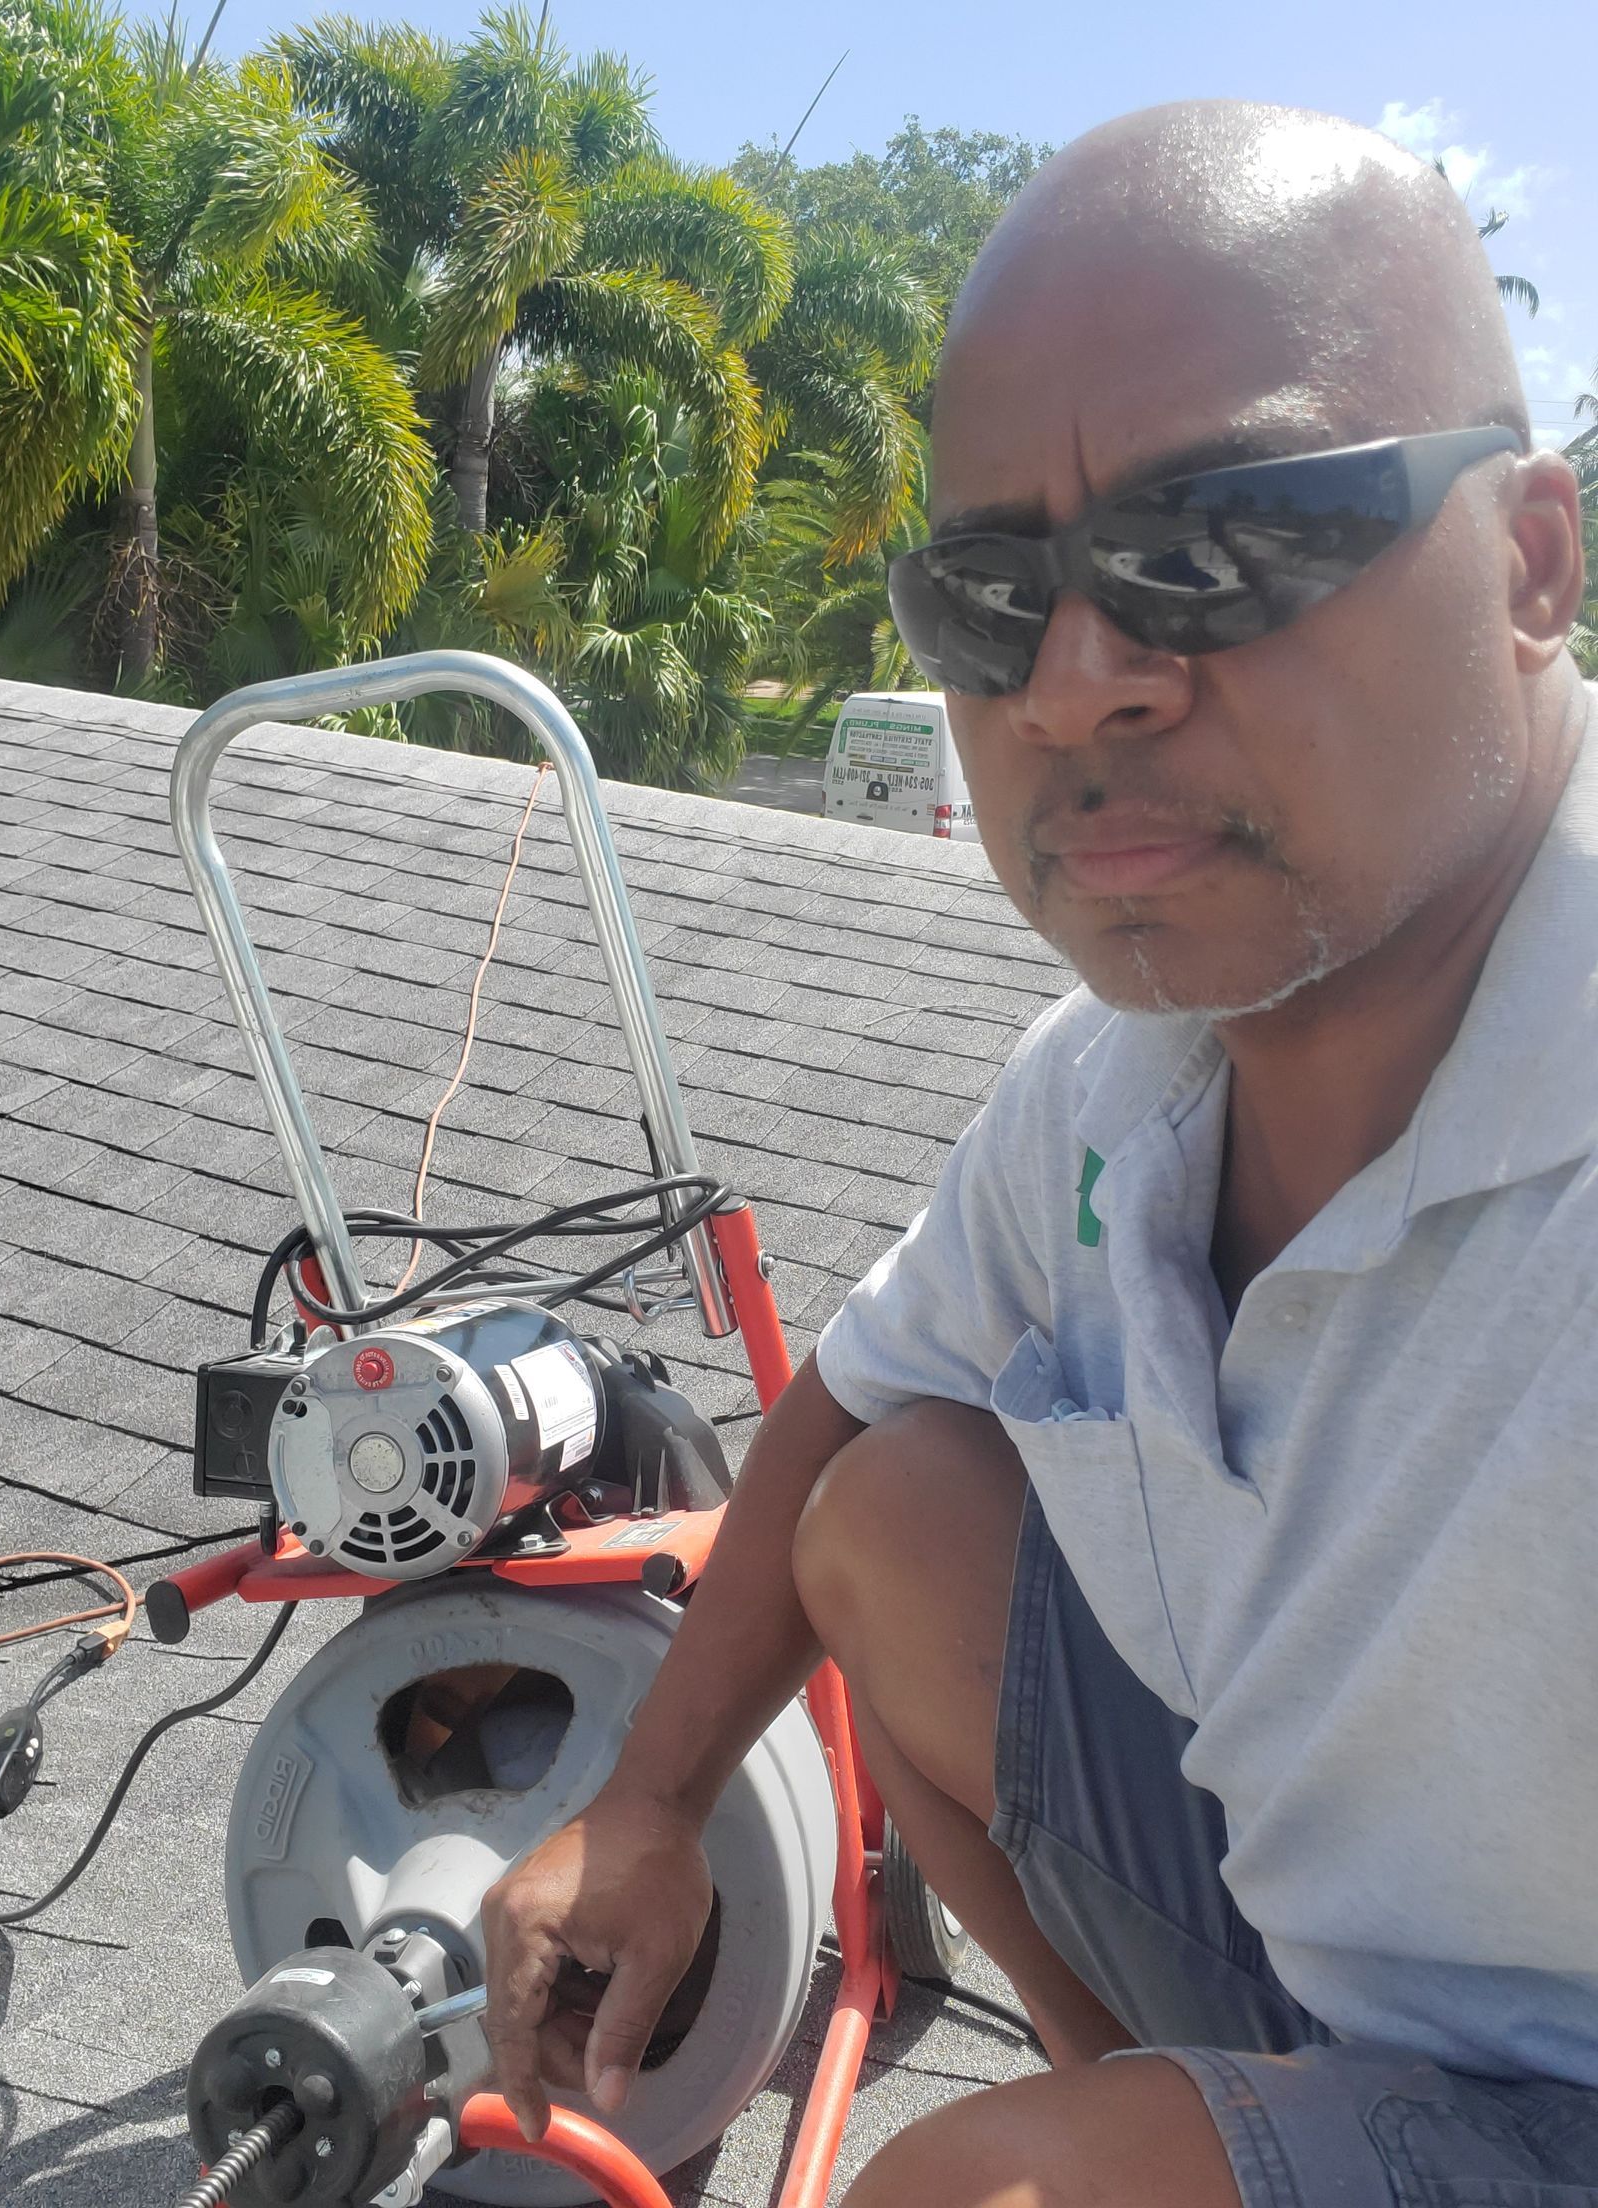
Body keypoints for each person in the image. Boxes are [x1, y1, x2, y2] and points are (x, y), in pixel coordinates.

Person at [480, 98, 1598, 2208]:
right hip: (1336, 1949)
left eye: (1223, 545)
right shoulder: (1123, 1074)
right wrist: (640, 1807)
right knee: (894, 1514)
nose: (1080, 682)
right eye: (992, 594)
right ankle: (1188, 2097)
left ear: (1530, 560)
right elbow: (843, 1414)